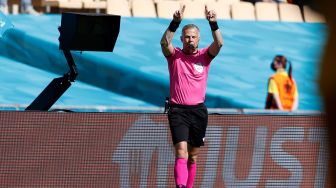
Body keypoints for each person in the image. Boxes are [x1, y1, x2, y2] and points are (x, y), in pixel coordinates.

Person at [160, 4, 223, 188]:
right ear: (181, 38)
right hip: (178, 110)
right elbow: (164, 43)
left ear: (198, 39)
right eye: (187, 37)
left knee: (193, 156)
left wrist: (213, 23)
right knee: (181, 152)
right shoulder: (174, 56)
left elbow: (219, 44)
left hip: (198, 112)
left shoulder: (205, 56)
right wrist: (175, 22)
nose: (190, 40)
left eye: (193, 37)